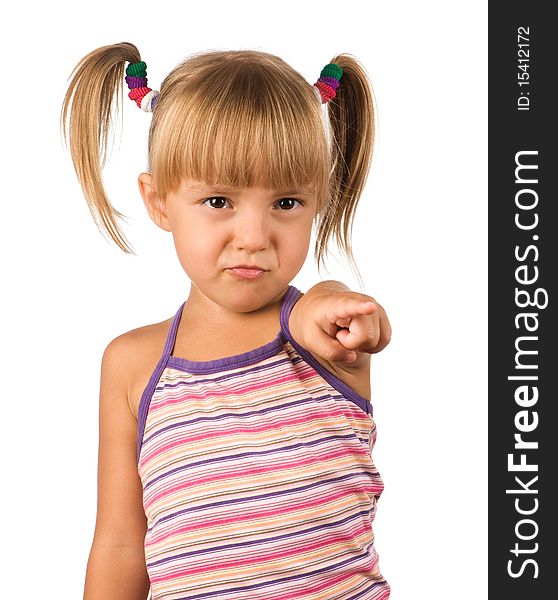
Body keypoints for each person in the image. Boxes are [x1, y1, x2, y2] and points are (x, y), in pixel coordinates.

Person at [62, 42, 392, 600]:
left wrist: (333, 304)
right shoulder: (133, 364)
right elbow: (120, 543)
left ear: (319, 199)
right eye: (218, 201)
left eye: (286, 202)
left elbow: (336, 306)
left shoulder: (323, 335)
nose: (254, 237)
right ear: (159, 201)